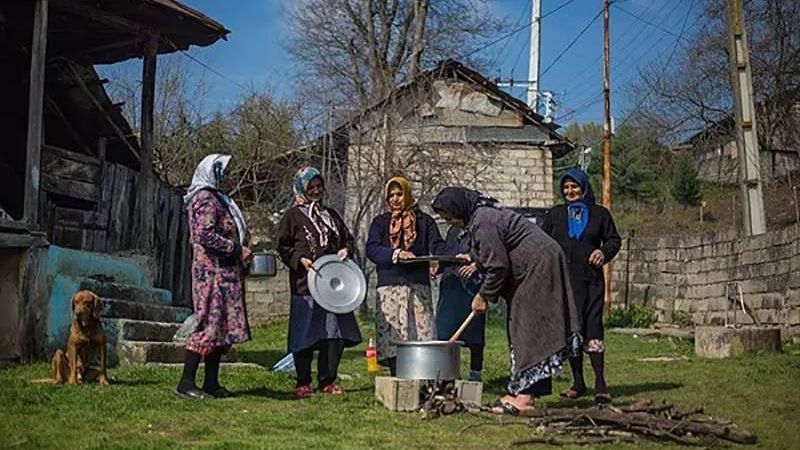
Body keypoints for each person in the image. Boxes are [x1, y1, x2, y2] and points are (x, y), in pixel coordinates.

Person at [432, 187, 580, 415]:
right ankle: (524, 391)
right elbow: (495, 251)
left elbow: (498, 266)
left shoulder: (483, 221)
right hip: (531, 269)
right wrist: (473, 257)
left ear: (460, 208)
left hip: (539, 267)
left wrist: (483, 296)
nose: (451, 222)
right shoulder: (479, 218)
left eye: (450, 217)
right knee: (522, 327)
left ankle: (525, 397)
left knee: (529, 328)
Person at [276, 167, 362, 398]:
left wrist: (346, 250)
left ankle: (328, 379)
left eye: (318, 187)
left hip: (334, 285)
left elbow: (347, 240)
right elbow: (283, 246)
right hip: (306, 284)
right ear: (302, 188)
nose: (315, 191)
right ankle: (302, 381)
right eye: (310, 187)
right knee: (304, 332)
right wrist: (299, 259)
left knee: (333, 333)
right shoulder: (292, 216)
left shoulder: (331, 216)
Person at [177, 153, 252, 399]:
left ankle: (211, 382)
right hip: (212, 275)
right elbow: (205, 235)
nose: (226, 176)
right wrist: (237, 249)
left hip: (225, 273)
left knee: (220, 328)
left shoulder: (219, 199)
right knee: (208, 324)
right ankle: (186, 382)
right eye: (222, 171)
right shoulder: (205, 199)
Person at [542, 169, 620, 404]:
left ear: (584, 187)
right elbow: (542, 241)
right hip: (563, 283)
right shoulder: (555, 215)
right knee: (571, 331)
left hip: (591, 282)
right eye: (566, 187)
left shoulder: (600, 214)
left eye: (574, 186)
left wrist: (603, 252)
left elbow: (614, 239)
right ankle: (578, 382)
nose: (570, 191)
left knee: (593, 328)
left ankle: (600, 384)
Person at [365, 176, 448, 375]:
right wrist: (396, 254)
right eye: (391, 195)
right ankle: (397, 376)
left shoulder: (424, 221)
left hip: (417, 285)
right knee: (394, 333)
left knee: (422, 332)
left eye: (399, 194)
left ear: (407, 194)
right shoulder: (380, 223)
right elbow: (372, 249)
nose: (395, 199)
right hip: (390, 286)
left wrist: (439, 262)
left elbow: (437, 246)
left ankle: (425, 377)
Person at [434, 226, 486, 382]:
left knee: (474, 332)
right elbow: (448, 254)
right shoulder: (453, 230)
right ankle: (447, 373)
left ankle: (475, 374)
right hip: (451, 285)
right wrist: (439, 267)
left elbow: (488, 252)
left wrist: (475, 263)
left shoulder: (479, 227)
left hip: (471, 286)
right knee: (446, 330)